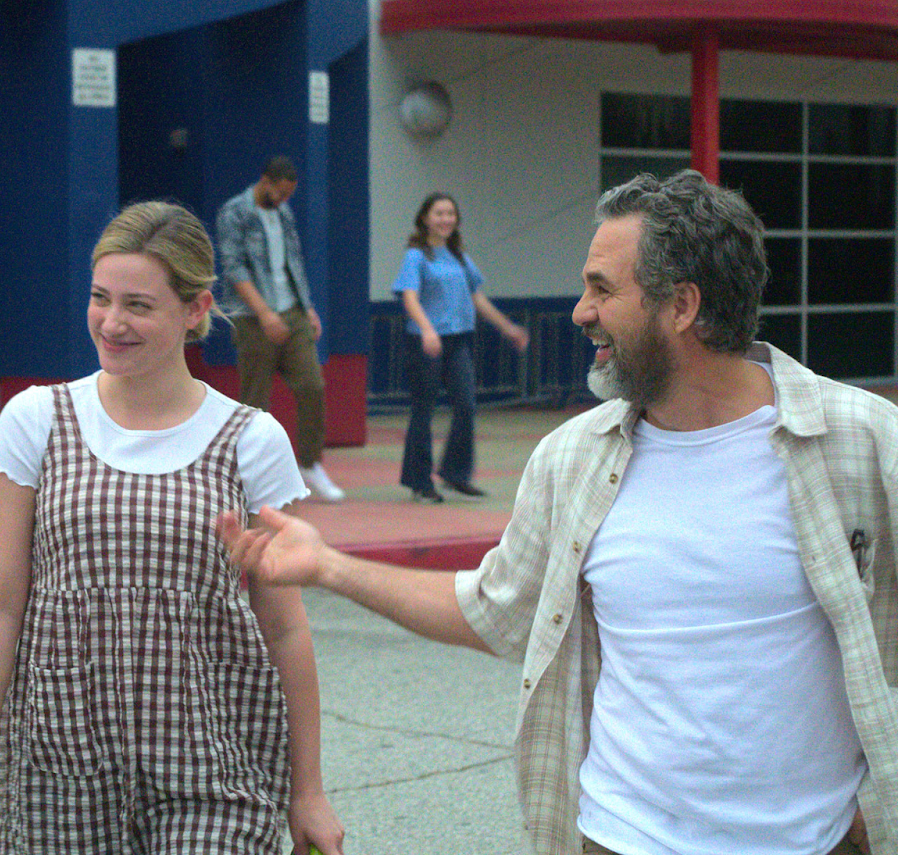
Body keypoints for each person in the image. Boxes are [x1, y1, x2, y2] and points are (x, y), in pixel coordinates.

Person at [219, 170, 895, 855]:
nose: (579, 311)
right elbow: (492, 607)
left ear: (682, 305)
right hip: (618, 839)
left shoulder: (861, 443)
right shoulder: (572, 459)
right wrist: (328, 566)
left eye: (603, 288)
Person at [0, 201, 344, 854]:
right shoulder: (35, 420)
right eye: (101, 298)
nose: (112, 322)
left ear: (195, 310)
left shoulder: (252, 439)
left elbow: (285, 625)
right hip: (59, 766)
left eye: (138, 305)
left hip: (214, 764)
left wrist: (309, 791)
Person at [217, 156, 344, 502]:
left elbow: (294, 262)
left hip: (292, 310)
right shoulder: (235, 212)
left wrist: (309, 307)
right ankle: (250, 474)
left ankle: (309, 463)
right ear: (265, 181)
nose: (283, 200)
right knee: (255, 399)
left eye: (289, 194)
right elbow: (233, 266)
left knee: (312, 384)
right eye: (279, 192)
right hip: (252, 316)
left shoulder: (283, 213)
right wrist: (264, 313)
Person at [393, 193, 528, 503]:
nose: (446, 219)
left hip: (459, 340)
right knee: (423, 410)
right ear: (425, 218)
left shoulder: (460, 257)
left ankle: (456, 474)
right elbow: (410, 297)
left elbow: (477, 299)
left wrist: (507, 328)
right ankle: (419, 480)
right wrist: (427, 330)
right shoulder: (416, 256)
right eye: (439, 213)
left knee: (466, 404)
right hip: (426, 342)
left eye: (451, 214)